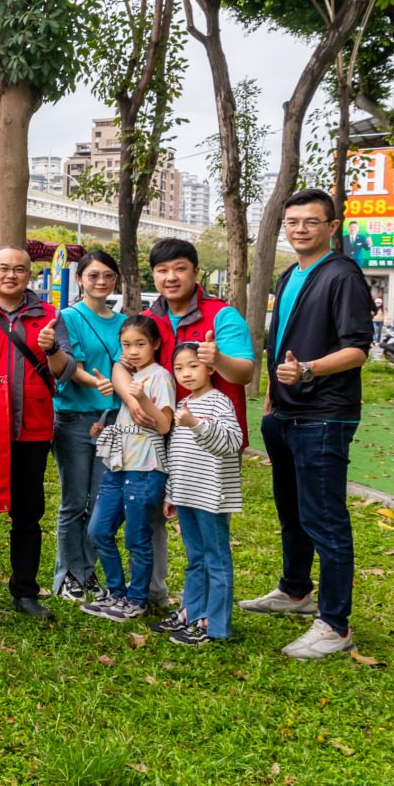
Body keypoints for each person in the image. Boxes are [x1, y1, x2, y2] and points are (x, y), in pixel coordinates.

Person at [242, 188, 373, 660]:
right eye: (293, 221)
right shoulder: (290, 274)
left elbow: (358, 348)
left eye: (311, 221)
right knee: (292, 511)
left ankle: (335, 625)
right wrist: (272, 399)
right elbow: (280, 342)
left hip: (324, 415)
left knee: (325, 518)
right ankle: (295, 591)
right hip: (284, 413)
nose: (300, 229)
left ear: (331, 227)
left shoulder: (342, 275)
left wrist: (309, 371)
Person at [125, 238, 256, 608]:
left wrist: (218, 359)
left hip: (209, 439)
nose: (171, 277)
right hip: (159, 434)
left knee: (207, 530)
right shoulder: (149, 320)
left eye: (180, 268)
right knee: (155, 515)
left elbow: (245, 372)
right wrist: (131, 398)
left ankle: (207, 612)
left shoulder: (222, 316)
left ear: (196, 272)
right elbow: (123, 364)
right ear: (153, 275)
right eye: (162, 270)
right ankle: (154, 595)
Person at [0, 247, 67, 619]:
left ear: (29, 274)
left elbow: (64, 371)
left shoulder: (50, 316)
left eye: (19, 269)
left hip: (32, 429)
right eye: (3, 268)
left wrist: (52, 349)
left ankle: (25, 591)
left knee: (27, 514)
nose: (11, 275)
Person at [81, 316, 172, 624]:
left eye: (140, 344)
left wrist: (140, 398)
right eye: (127, 345)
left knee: (137, 539)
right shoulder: (130, 375)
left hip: (145, 469)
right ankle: (116, 592)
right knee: (98, 531)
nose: (133, 351)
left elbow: (163, 424)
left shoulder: (160, 377)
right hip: (117, 466)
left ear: (155, 344)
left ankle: (137, 599)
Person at [50, 249, 125, 602]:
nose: (101, 282)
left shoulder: (124, 321)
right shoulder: (67, 317)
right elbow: (70, 368)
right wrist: (98, 383)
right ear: (79, 279)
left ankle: (87, 570)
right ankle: (68, 574)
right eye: (93, 275)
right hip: (75, 419)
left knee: (99, 503)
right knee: (74, 501)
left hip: (113, 420)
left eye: (108, 276)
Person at [158, 341, 244, 647]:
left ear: (209, 368)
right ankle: (191, 612)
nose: (186, 373)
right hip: (186, 496)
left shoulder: (219, 402)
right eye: (179, 368)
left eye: (193, 366)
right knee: (195, 559)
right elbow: (177, 455)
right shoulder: (183, 404)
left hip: (212, 497)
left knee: (216, 560)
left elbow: (232, 442)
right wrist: (172, 494)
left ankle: (215, 625)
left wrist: (195, 423)